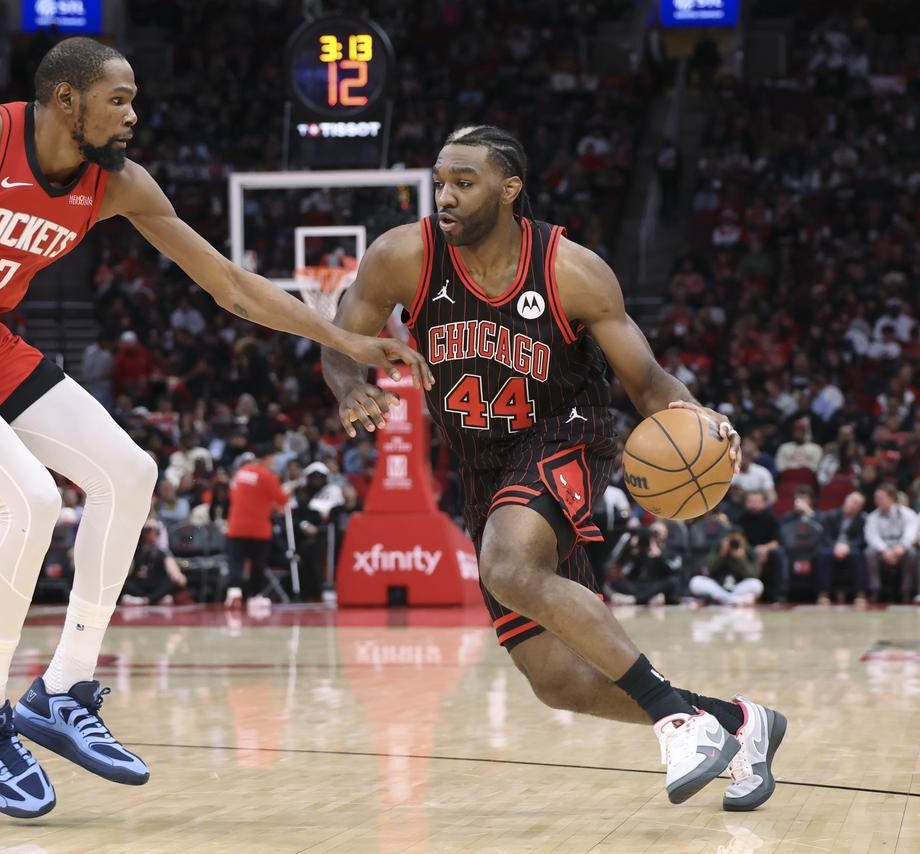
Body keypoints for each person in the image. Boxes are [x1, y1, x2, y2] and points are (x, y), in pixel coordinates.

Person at [0, 36, 428, 818]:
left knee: (131, 472)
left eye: (134, 99)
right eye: (118, 99)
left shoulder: (116, 183)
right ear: (66, 101)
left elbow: (228, 284)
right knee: (34, 499)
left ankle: (62, 689)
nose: (133, 114)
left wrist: (346, 339)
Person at [321, 125, 785, 812]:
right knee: (557, 682)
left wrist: (700, 416)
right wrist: (346, 387)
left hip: (566, 433)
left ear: (509, 189)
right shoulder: (402, 256)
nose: (445, 196)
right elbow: (340, 337)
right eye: (440, 181)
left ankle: (675, 722)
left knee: (508, 567)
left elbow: (647, 382)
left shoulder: (571, 269)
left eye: (464, 183)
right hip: (482, 467)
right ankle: (737, 724)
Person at [223, 448, 289, 608]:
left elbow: (235, 496)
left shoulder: (240, 473)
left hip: (236, 527)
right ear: (266, 458)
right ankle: (255, 596)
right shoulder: (267, 476)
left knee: (236, 562)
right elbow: (282, 500)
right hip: (258, 529)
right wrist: (289, 489)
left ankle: (234, 591)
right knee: (257, 564)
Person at [863, 485, 918, 603]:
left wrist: (902, 546)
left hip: (901, 547)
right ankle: (875, 589)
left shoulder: (907, 513)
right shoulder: (872, 517)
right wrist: (885, 550)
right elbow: (872, 537)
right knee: (869, 552)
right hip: (883, 549)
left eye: (881, 497)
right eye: (876, 498)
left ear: (892, 498)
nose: (877, 501)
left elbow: (911, 532)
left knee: (912, 553)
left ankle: (906, 590)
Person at [813, 490, 868, 606]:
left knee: (857, 555)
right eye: (853, 502)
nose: (854, 505)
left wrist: (848, 546)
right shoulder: (830, 515)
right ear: (846, 500)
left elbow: (861, 539)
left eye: (858, 504)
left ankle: (860, 593)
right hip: (832, 546)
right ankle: (823, 593)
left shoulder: (862, 520)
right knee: (823, 555)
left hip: (851, 547)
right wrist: (836, 547)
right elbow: (825, 536)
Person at [119, 521, 187, 606]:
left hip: (155, 584)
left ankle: (146, 600)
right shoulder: (135, 551)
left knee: (173, 581)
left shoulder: (162, 552)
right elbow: (127, 572)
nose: (152, 534)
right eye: (148, 530)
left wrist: (177, 576)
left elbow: (174, 571)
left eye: (156, 531)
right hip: (139, 584)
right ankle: (154, 599)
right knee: (122, 582)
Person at [689, 530, 765, 605]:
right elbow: (707, 570)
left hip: (737, 588)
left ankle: (722, 600)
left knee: (757, 584)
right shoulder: (718, 547)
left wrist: (742, 559)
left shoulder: (747, 551)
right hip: (718, 587)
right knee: (695, 581)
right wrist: (721, 554)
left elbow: (753, 575)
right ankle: (733, 600)